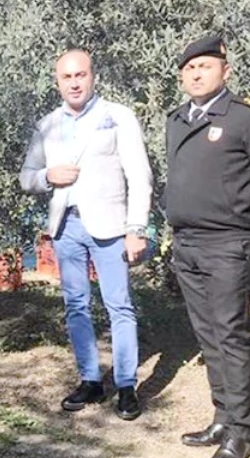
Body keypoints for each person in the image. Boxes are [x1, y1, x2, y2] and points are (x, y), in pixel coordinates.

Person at [165, 34, 250, 458]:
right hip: (188, 245)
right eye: (189, 68)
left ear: (225, 71)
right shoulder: (177, 120)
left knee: (232, 334)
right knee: (208, 335)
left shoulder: (246, 119)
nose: (196, 73)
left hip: (229, 245)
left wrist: (238, 210)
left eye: (205, 65)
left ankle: (241, 431)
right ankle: (222, 417)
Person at [19, 49, 153, 418]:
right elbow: (26, 176)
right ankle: (91, 381)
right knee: (76, 305)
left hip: (110, 227)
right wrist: (48, 176)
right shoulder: (47, 124)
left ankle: (126, 386)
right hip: (66, 228)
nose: (75, 82)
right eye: (67, 77)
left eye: (81, 75)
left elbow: (139, 175)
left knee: (119, 305)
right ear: (57, 81)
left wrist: (136, 228)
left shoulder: (118, 116)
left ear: (93, 77)